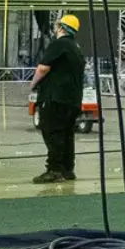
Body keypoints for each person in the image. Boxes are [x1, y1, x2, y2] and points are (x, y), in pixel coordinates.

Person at [28, 13, 85, 184]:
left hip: (55, 98)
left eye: (57, 25)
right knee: (67, 134)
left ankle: (54, 170)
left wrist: (32, 84)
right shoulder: (76, 48)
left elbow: (43, 68)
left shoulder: (59, 44)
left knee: (53, 133)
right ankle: (67, 169)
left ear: (61, 27)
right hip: (73, 99)